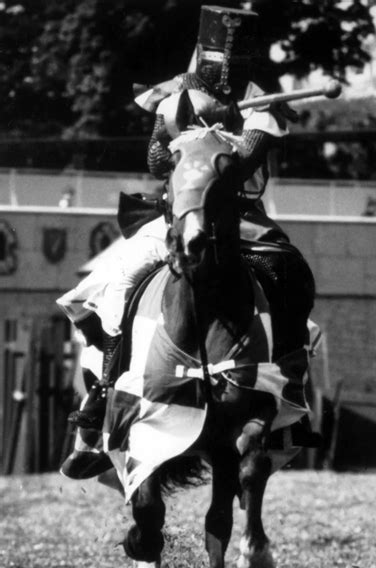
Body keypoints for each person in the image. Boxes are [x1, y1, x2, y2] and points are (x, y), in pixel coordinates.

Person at [58, 5, 313, 434]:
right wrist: (185, 131)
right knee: (119, 280)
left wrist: (218, 133)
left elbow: (244, 162)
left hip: (239, 216)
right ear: (203, 53)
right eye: (217, 60)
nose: (226, 70)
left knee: (288, 274)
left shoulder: (262, 104)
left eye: (234, 61)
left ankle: (288, 386)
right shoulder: (176, 96)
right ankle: (105, 387)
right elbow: (158, 163)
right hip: (178, 213)